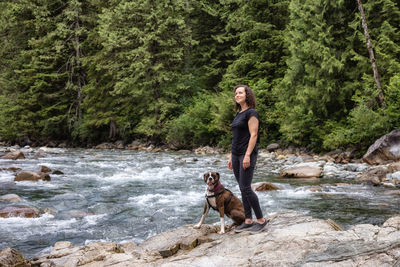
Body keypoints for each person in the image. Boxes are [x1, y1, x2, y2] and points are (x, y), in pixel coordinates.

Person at [228, 84, 267, 233]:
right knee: (242, 188)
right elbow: (236, 137)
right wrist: (231, 156)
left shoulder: (252, 113)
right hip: (236, 154)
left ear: (247, 95)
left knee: (245, 187)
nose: (237, 95)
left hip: (246, 154)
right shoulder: (239, 114)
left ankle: (261, 220)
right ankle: (248, 220)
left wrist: (247, 155)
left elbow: (254, 135)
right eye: (236, 93)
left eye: (240, 93)